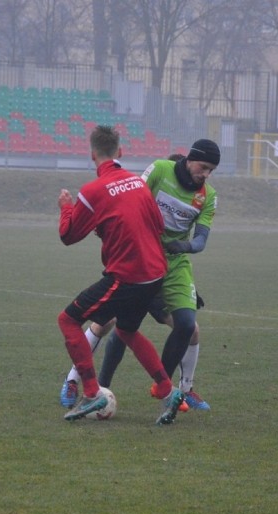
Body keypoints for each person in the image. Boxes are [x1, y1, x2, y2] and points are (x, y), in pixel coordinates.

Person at [61, 142, 219, 411]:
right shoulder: (158, 171)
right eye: (203, 167)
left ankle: (183, 389)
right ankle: (74, 380)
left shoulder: (208, 196)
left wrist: (185, 247)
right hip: (140, 259)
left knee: (188, 328)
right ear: (189, 161)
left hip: (168, 269)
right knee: (108, 324)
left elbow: (201, 241)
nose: (206, 174)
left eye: (211, 170)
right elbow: (130, 202)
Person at [57, 124, 185, 425]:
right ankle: (168, 392)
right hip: (155, 273)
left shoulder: (91, 192)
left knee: (68, 320)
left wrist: (65, 207)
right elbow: (156, 224)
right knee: (126, 330)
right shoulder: (138, 183)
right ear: (121, 151)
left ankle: (91, 392)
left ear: (92, 155)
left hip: (128, 276)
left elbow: (68, 235)